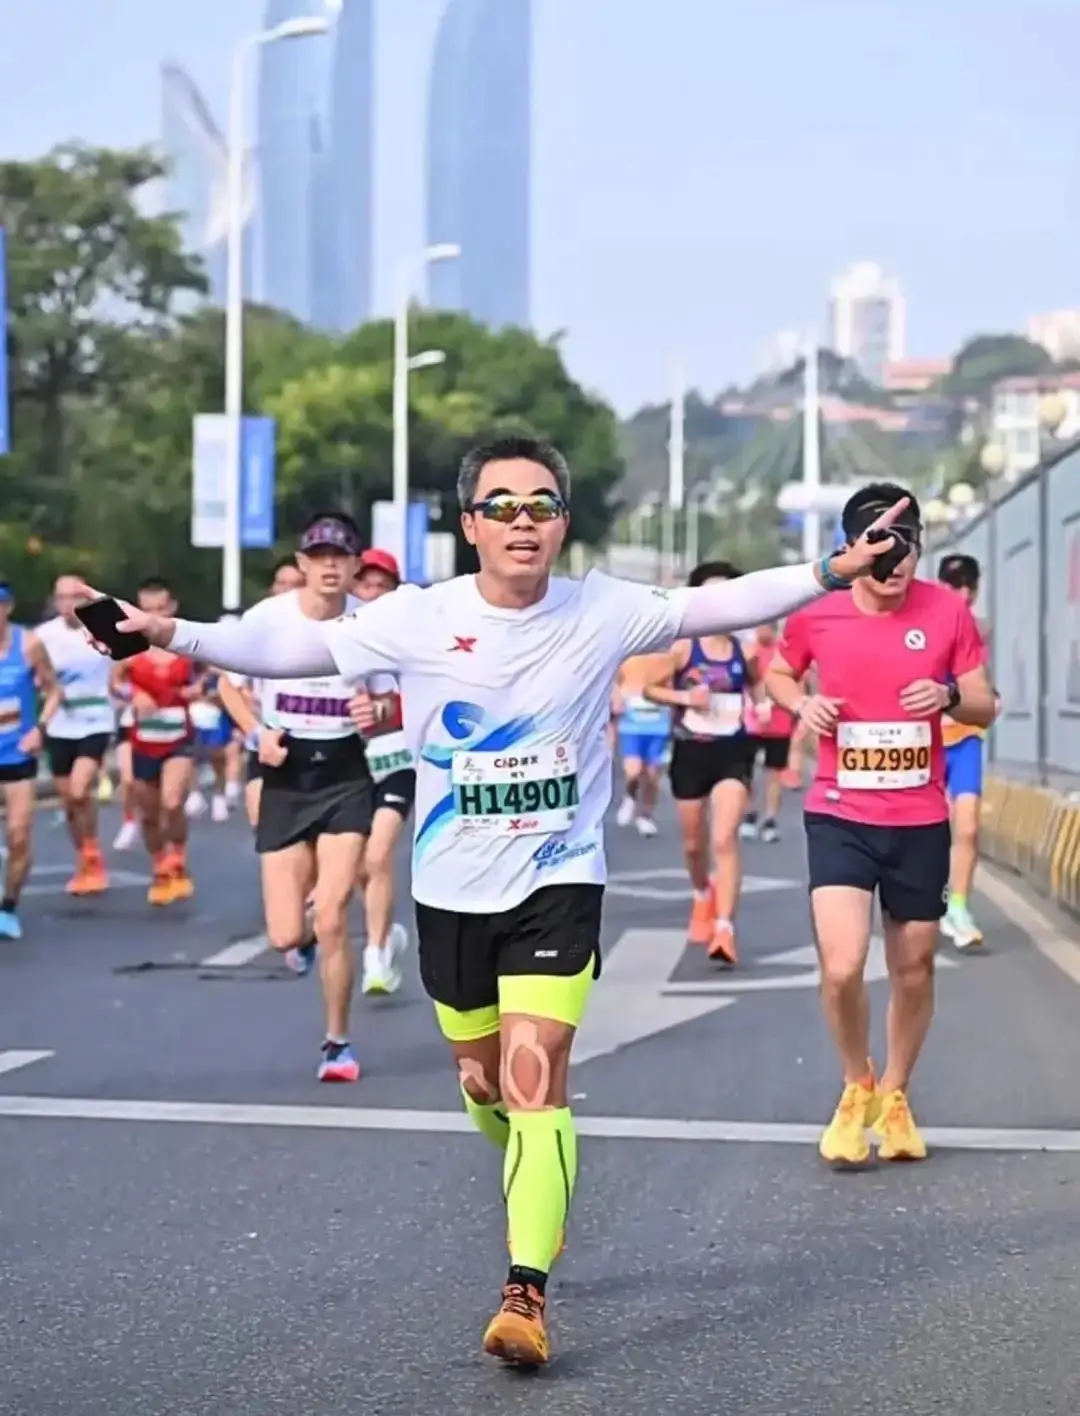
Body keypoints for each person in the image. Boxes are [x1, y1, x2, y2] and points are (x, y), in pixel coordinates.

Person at [81, 434, 909, 1368]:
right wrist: (168, 633)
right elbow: (294, 647)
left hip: (558, 879)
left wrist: (834, 568)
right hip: (452, 889)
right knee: (486, 1087)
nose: (524, 522)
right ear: (471, 523)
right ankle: (533, 1180)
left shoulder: (602, 608)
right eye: (503, 506)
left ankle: (526, 1291)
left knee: (534, 1077)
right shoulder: (419, 617)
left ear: (563, 522)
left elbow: (719, 601)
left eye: (543, 505)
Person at [764, 484, 998, 1169]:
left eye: (906, 551)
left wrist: (951, 693)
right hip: (840, 812)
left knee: (915, 966)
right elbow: (779, 675)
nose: (894, 567)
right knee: (841, 967)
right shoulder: (819, 613)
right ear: (854, 551)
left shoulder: (948, 610)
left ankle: (894, 1092)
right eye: (881, 552)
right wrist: (801, 703)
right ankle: (854, 1082)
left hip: (919, 817)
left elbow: (986, 703)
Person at [216, 515, 380, 1083]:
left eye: (342, 556)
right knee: (287, 933)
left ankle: (338, 1043)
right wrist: (255, 733)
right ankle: (302, 940)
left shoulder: (371, 623)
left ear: (356, 565)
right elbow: (226, 684)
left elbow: (389, 701)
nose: (331, 565)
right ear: (303, 564)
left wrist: (375, 713)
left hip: (344, 775)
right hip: (285, 775)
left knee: (333, 912)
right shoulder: (270, 618)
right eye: (320, 556)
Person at [642, 562, 763, 963]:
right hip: (691, 751)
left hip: (733, 751)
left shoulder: (744, 651)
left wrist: (760, 708)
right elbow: (649, 689)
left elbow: (758, 689)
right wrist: (685, 699)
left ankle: (725, 928)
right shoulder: (682, 648)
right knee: (694, 844)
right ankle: (701, 894)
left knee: (724, 838)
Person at [110, 577, 202, 905]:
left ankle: (178, 859)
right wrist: (132, 695)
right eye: (148, 609)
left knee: (173, 801)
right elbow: (115, 686)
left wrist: (198, 690)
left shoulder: (187, 643)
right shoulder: (130, 650)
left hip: (178, 738)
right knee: (149, 814)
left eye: (161, 608)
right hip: (144, 739)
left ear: (172, 607)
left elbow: (214, 676)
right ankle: (160, 867)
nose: (154, 614)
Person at [350, 548, 412, 996]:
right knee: (354, 866)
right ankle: (385, 930)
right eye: (365, 585)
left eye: (382, 586)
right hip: (350, 764)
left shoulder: (411, 637)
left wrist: (386, 708)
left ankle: (375, 958)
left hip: (398, 759)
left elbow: (432, 695)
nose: (373, 593)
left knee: (378, 856)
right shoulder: (339, 634)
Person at [37, 574, 117, 893]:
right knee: (70, 801)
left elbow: (130, 664)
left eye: (74, 597)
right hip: (59, 723)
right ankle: (85, 856)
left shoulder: (104, 627)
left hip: (96, 720)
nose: (68, 605)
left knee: (81, 790)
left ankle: (93, 853)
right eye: (62, 598)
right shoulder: (42, 636)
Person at [219, 557, 304, 833]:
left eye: (297, 584)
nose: (288, 591)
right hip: (269, 743)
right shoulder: (260, 623)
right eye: (282, 584)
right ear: (272, 588)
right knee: (267, 834)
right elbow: (229, 683)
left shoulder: (331, 625)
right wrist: (254, 731)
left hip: (325, 749)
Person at [937, 553, 993, 948]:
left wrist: (992, 700)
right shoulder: (922, 625)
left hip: (966, 740)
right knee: (931, 831)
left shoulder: (979, 631)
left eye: (967, 586)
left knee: (969, 827)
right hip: (927, 744)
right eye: (953, 585)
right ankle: (930, 900)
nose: (961, 593)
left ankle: (958, 907)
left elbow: (980, 685)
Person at [0, 580, 61, 938]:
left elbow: (54, 690)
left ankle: (8, 906)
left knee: (19, 834)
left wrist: (39, 727)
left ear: (8, 608)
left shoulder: (30, 644)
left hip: (16, 752)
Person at [741, 621, 798, 844]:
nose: (759, 632)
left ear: (773, 630)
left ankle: (770, 818)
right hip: (751, 723)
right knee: (745, 772)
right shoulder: (749, 652)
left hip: (779, 723)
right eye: (757, 628)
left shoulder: (783, 653)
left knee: (774, 773)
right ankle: (749, 812)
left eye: (764, 628)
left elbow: (796, 681)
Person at [611, 654, 671, 836]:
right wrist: (617, 698)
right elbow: (613, 680)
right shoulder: (628, 657)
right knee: (634, 770)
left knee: (653, 775)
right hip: (632, 722)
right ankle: (629, 797)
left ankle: (645, 815)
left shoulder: (667, 657)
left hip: (658, 723)